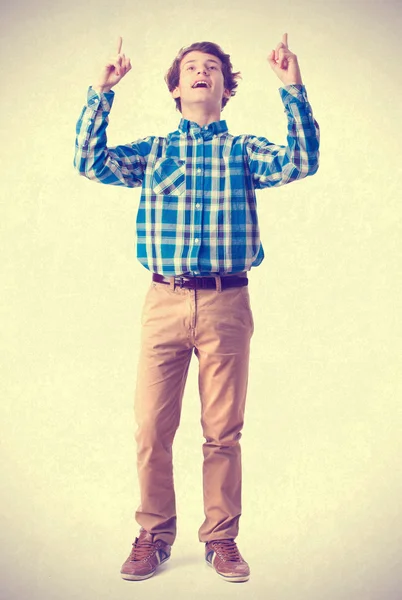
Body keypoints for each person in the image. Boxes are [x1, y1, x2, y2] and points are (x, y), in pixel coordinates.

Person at [74, 33, 320, 584]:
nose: (201, 72)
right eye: (190, 67)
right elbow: (89, 162)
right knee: (150, 430)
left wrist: (293, 87)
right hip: (162, 301)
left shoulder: (243, 151)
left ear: (227, 89)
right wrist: (103, 91)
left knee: (222, 431)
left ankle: (222, 540)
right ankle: (153, 535)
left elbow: (302, 161)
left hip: (227, 302)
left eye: (212, 67)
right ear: (177, 87)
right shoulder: (156, 151)